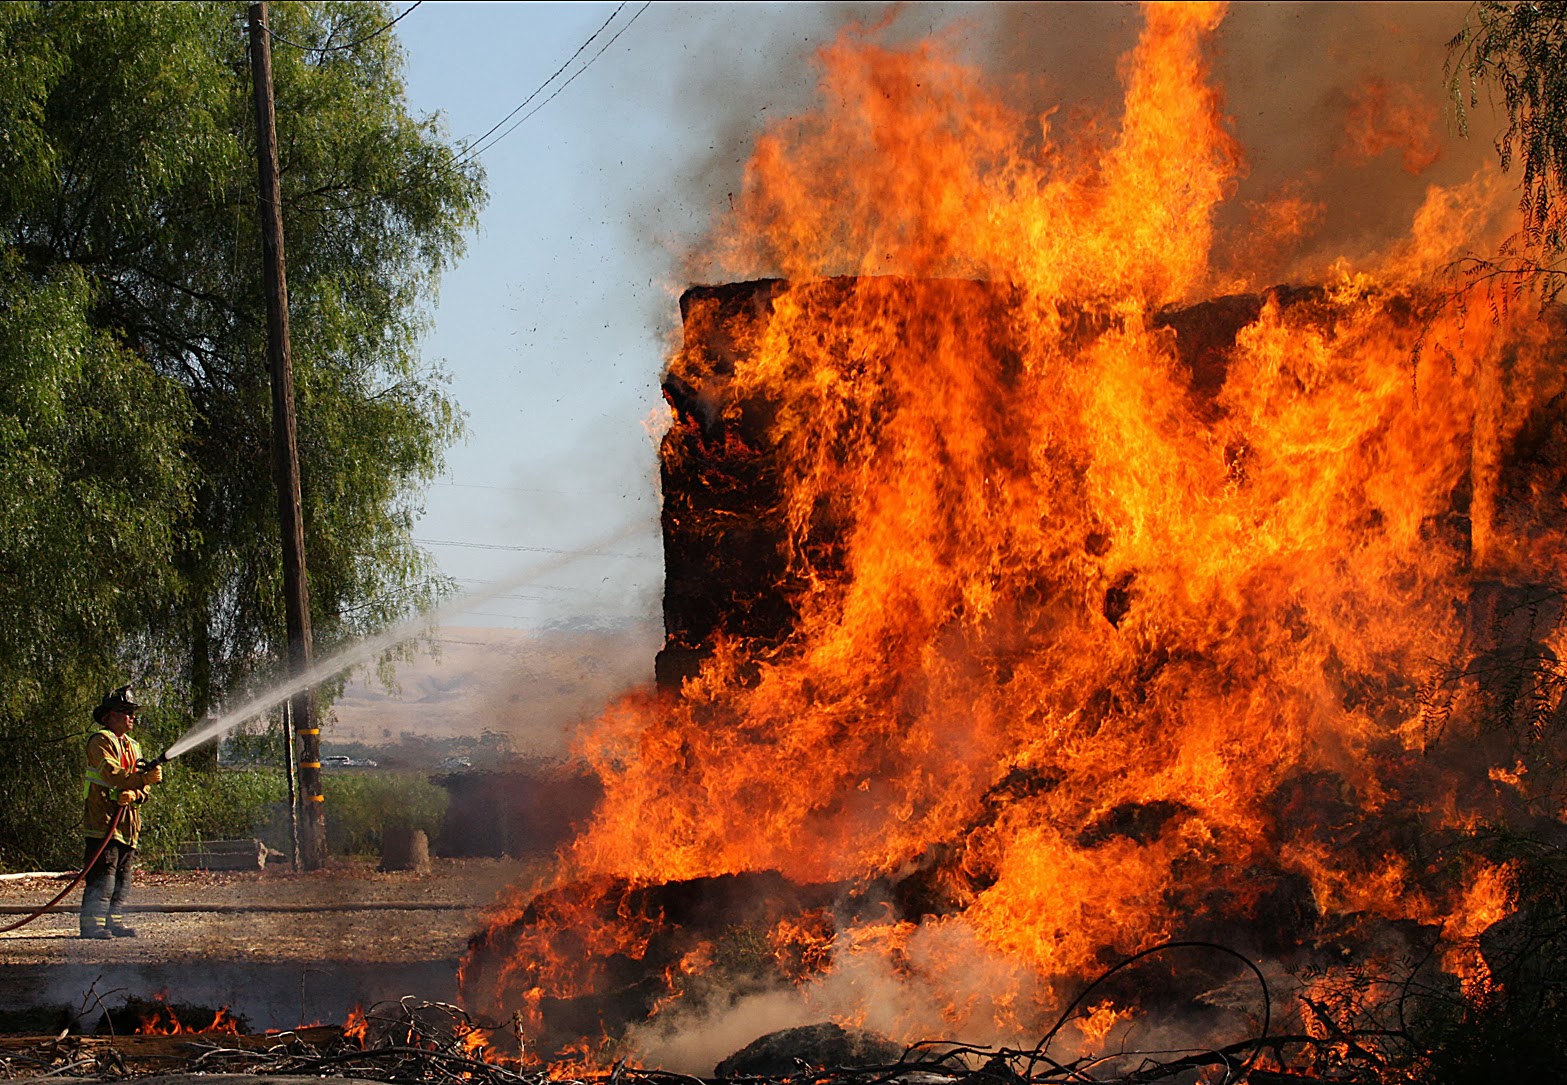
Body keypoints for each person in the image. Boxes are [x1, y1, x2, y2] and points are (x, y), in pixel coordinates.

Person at [81, 685, 163, 939]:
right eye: (126, 711)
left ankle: (113, 922)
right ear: (110, 716)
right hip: (103, 821)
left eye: (132, 712)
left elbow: (143, 787)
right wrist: (142, 780)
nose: (132, 717)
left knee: (122, 877)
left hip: (128, 825)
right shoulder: (100, 741)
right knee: (103, 876)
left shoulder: (133, 746)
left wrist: (138, 792)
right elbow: (112, 774)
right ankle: (92, 926)